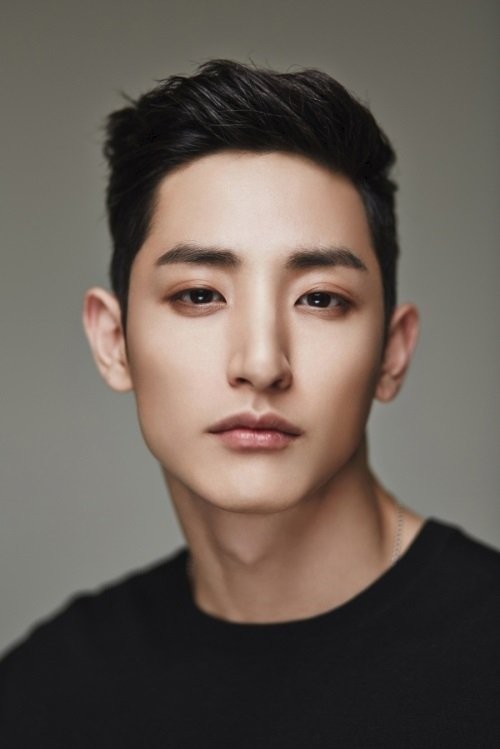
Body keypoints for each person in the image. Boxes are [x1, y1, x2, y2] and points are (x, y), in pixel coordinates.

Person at [1, 59, 499, 747]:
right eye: (199, 294)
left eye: (319, 298)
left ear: (392, 350)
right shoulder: (45, 696)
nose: (262, 364)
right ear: (114, 342)